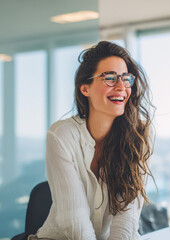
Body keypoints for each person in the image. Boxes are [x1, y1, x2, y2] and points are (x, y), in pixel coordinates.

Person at [28, 41, 154, 240]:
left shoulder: (139, 135)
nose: (121, 86)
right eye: (110, 78)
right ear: (85, 89)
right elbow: (75, 222)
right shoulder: (62, 135)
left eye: (126, 78)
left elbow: (127, 219)